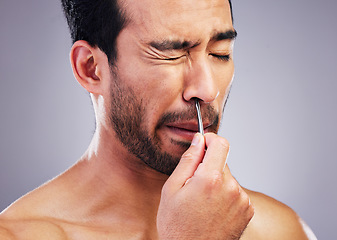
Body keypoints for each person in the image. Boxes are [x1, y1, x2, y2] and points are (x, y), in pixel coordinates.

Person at [0, 0, 316, 239]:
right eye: (170, 53)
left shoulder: (281, 230)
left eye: (220, 52)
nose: (206, 90)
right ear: (91, 68)